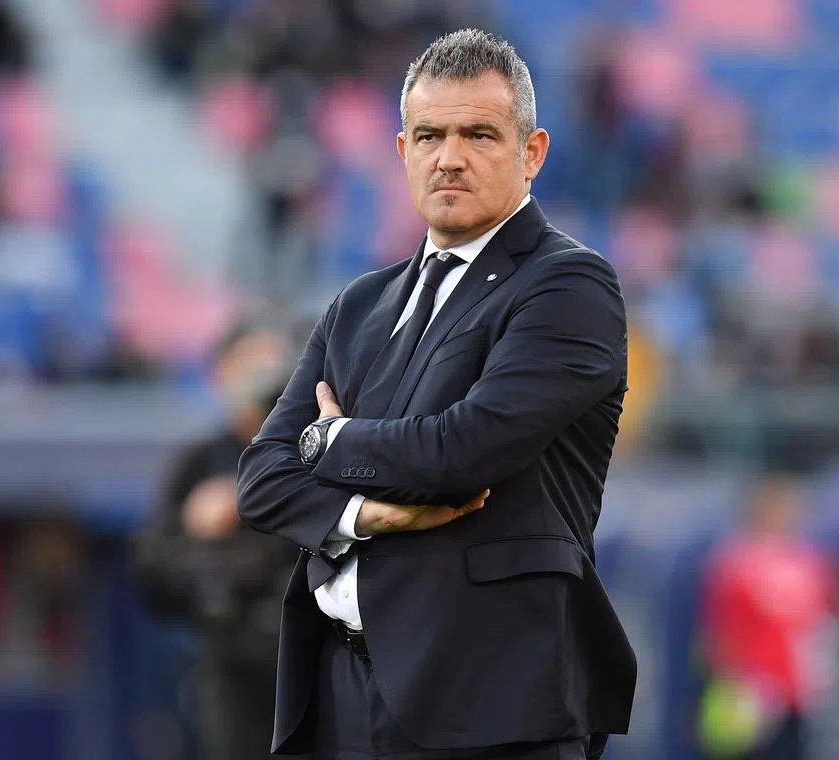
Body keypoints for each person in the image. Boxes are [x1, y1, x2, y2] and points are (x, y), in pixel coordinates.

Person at [237, 29, 636, 760]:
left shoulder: (569, 285)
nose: (449, 156)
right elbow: (261, 479)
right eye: (429, 135)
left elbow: (462, 450)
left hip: (488, 707)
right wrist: (365, 515)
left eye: (479, 133)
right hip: (335, 695)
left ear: (533, 152)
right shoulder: (359, 304)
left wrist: (330, 440)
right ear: (402, 152)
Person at [134, 318, 301, 760]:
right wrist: (207, 543)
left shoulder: (314, 447)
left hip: (314, 656)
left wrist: (244, 503)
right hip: (231, 662)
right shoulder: (198, 462)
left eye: (270, 361)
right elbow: (153, 572)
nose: (262, 375)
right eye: (246, 362)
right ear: (219, 374)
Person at [697, 477, 839, 760]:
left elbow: (823, 621)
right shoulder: (735, 563)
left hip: (799, 691)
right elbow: (719, 633)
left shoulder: (811, 561)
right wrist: (734, 684)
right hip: (755, 694)